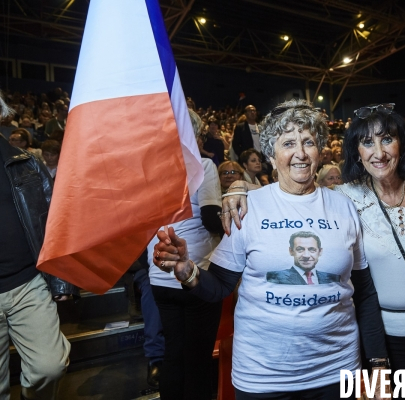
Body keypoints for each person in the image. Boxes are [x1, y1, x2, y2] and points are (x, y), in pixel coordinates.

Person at [220, 102, 405, 398]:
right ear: (357, 152)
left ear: (402, 142)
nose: (379, 152)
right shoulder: (346, 198)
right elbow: (293, 191)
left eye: (387, 139)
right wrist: (240, 188)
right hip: (386, 336)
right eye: (367, 142)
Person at [155, 99, 388, 399]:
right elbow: (220, 286)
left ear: (320, 149)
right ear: (271, 152)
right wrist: (188, 272)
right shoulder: (248, 207)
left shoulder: (344, 207)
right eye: (288, 142)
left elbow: (365, 294)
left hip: (337, 371)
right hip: (263, 378)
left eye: (309, 142)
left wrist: (378, 365)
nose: (300, 153)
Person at [0, 92, 78, 400]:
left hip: (26, 283)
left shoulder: (27, 162)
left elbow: (54, 221)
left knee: (49, 366)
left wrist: (61, 278)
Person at [146, 110, 224, 400]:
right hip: (194, 275)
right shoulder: (203, 165)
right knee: (198, 360)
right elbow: (211, 220)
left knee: (174, 354)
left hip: (159, 277)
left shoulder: (149, 169)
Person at [266, 231, 341, 284]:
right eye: (300, 249)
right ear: (291, 251)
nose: (306, 255)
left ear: (320, 252)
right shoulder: (274, 277)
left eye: (312, 250)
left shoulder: (333, 278)